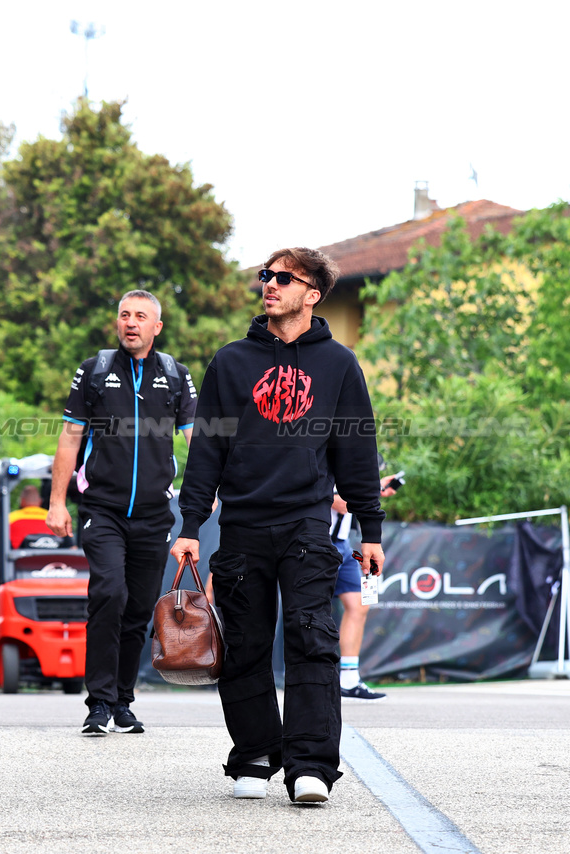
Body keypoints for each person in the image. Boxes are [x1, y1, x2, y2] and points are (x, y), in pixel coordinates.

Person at [171, 247, 385, 805]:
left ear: (311, 293)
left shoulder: (339, 364)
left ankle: (311, 765)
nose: (269, 284)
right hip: (241, 525)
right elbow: (208, 452)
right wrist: (190, 523)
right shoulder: (231, 362)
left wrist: (371, 530)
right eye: (265, 275)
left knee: (312, 640)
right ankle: (255, 757)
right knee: (243, 645)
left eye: (283, 278)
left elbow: (356, 453)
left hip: (308, 524)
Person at [47, 290, 197, 736]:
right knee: (109, 593)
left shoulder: (176, 375)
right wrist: (57, 501)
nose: (131, 322)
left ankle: (123, 702)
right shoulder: (93, 371)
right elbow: (70, 439)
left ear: (157, 327)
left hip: (154, 513)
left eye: (141, 316)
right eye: (124, 315)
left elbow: (197, 440)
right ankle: (98, 704)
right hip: (103, 508)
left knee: (137, 611)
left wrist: (208, 491)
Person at [331, 476, 396, 701]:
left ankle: (349, 680)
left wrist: (373, 489)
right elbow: (339, 503)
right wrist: (370, 491)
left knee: (359, 606)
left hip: (343, 545)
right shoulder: (324, 459)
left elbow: (350, 501)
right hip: (317, 541)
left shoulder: (349, 473)